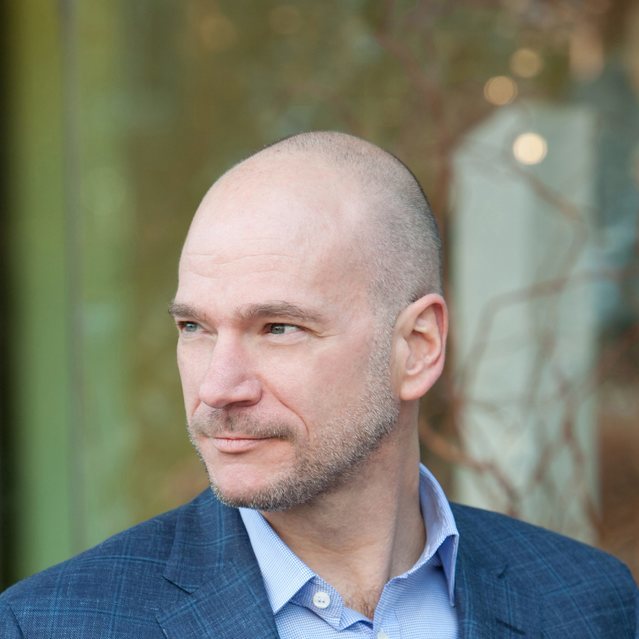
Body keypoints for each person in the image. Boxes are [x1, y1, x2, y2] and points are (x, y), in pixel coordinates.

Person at [1, 131, 637, 638]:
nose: (218, 388)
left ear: (417, 347)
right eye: (195, 327)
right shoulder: (53, 625)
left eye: (278, 328)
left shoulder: (589, 603)